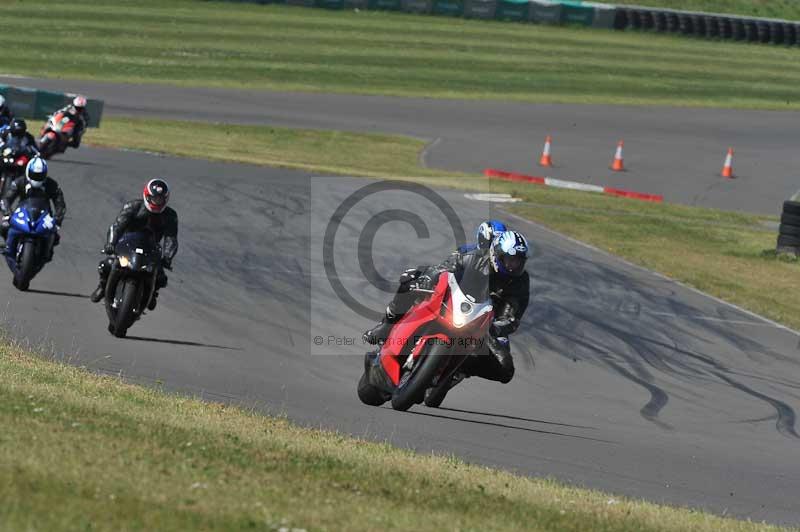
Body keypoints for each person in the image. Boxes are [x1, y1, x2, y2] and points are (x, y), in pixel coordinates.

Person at [362, 230, 530, 391]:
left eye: (519, 261)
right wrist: (430, 278)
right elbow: (446, 267)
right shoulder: (475, 256)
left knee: (505, 369)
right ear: (497, 255)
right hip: (457, 302)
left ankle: (462, 367)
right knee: (410, 277)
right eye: (510, 260)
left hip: (486, 324)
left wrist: (498, 327)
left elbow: (513, 316)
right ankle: (387, 324)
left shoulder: (521, 281)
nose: (513, 266)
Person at [89, 179, 178, 310]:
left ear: (165, 199)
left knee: (161, 277)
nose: (156, 202)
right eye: (154, 198)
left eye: (159, 199)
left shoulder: (170, 215)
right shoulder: (133, 206)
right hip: (126, 245)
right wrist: (110, 243)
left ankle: (153, 293)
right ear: (147, 196)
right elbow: (117, 226)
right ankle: (103, 286)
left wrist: (167, 257)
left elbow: (171, 238)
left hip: (151, 249)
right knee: (106, 265)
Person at [0, 157, 66, 259]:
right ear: (28, 172)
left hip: (44, 215)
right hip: (23, 213)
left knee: (55, 236)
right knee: (4, 226)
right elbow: (6, 199)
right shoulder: (20, 182)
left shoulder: (51, 185)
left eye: (40, 175)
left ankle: (47, 252)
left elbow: (60, 203)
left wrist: (58, 219)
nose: (37, 178)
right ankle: (9, 246)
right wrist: (7, 213)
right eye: (34, 175)